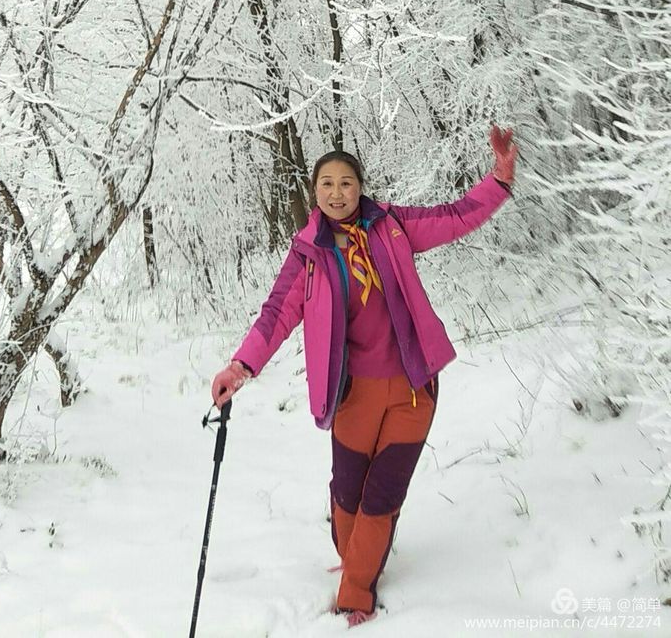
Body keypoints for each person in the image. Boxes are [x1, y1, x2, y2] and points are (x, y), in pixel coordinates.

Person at [212, 125, 518, 628]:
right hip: (353, 393)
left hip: (412, 388)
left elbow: (456, 217)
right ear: (315, 191)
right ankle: (356, 556)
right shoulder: (308, 254)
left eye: (346, 183)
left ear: (360, 187)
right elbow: (276, 313)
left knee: (383, 496)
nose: (337, 193)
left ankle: (356, 593)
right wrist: (240, 366)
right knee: (348, 495)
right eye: (327, 184)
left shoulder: (391, 226)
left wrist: (499, 179)